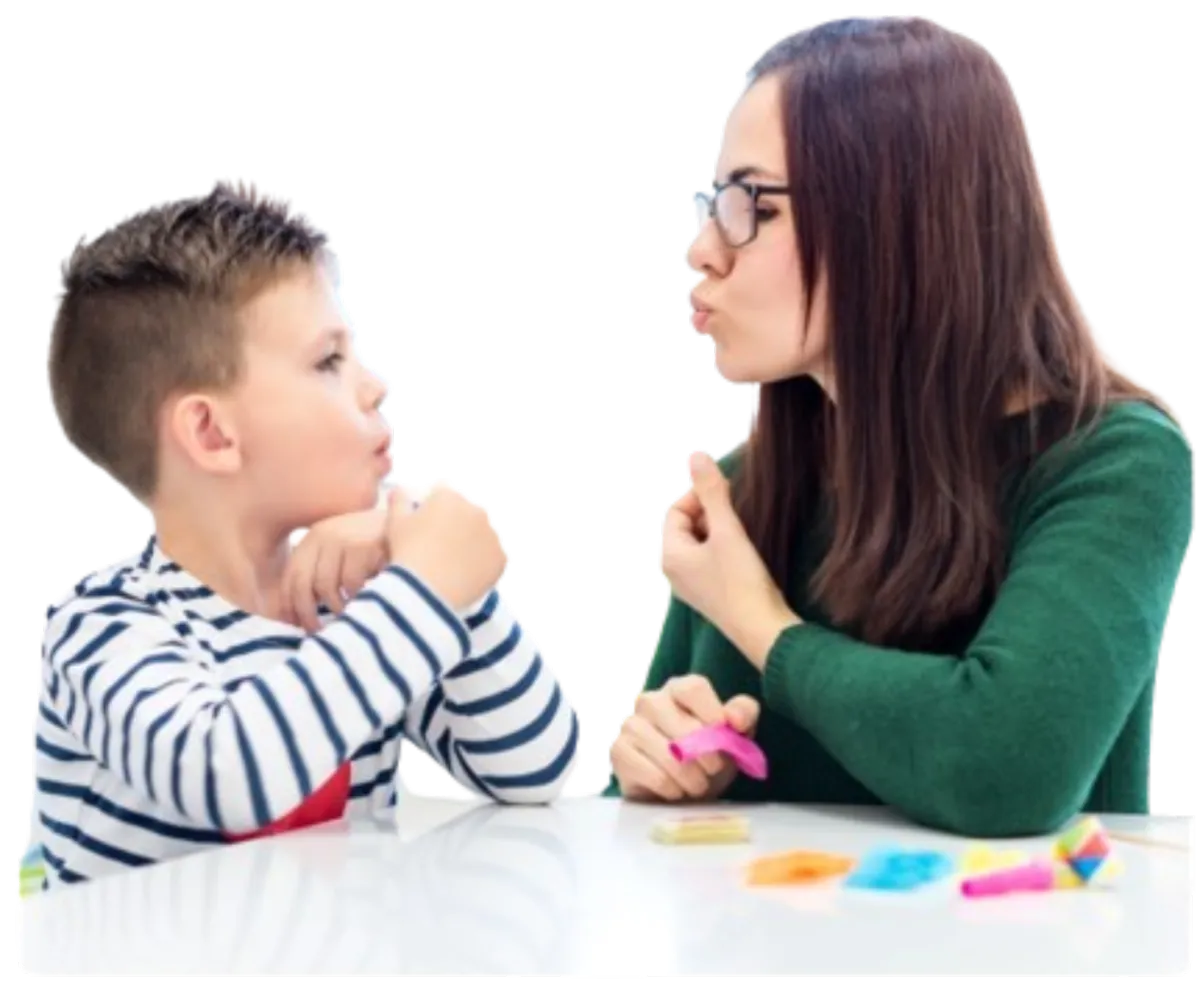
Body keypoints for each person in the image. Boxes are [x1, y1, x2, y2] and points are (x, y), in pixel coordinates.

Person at [603, 15, 1193, 837]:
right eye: (712, 204)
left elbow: (1004, 768)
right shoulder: (744, 488)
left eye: (751, 206)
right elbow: (637, 814)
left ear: (893, 216)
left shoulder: (1114, 462)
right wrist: (654, 766)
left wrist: (760, 622)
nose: (702, 250)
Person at [29, 179, 580, 888]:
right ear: (211, 432)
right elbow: (228, 770)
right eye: (327, 362)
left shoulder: (354, 602)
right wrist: (424, 586)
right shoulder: (102, 626)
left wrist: (451, 588)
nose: (375, 386)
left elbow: (533, 765)